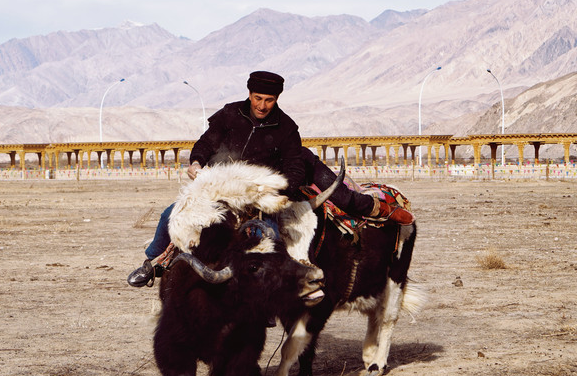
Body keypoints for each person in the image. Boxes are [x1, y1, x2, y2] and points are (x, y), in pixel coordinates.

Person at [127, 71, 413, 288]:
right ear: (250, 94)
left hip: (260, 195)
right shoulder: (229, 114)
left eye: (269, 100)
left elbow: (294, 168)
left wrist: (274, 190)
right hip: (219, 190)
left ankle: (267, 292)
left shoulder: (286, 128)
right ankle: (154, 262)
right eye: (258, 98)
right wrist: (196, 163)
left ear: (277, 99)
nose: (262, 105)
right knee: (170, 214)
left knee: (271, 235)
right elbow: (205, 143)